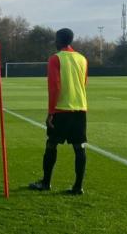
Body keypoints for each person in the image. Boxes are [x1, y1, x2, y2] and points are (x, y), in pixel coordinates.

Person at [29, 28, 88, 195]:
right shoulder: (82, 59)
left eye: (55, 39)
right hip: (81, 108)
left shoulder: (55, 59)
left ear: (59, 40)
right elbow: (84, 83)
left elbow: (54, 86)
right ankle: (78, 187)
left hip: (62, 109)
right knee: (80, 147)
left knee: (51, 144)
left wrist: (50, 112)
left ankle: (46, 183)